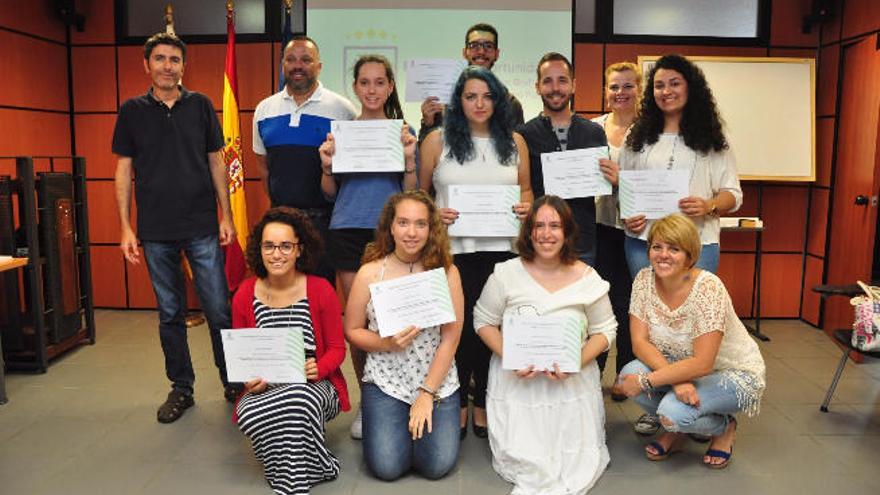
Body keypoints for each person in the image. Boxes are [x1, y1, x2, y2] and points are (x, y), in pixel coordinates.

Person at [112, 32, 237, 423]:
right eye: (161, 59)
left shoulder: (200, 105)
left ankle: (233, 384)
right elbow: (124, 169)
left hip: (201, 225)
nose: (168, 66)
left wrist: (227, 215)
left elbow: (217, 162)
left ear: (184, 66)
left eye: (175, 60)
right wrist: (125, 227)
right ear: (146, 65)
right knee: (170, 314)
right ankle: (182, 388)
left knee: (219, 309)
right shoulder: (131, 110)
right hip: (154, 231)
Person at [473, 195, 617, 494]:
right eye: (538, 225)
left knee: (574, 459)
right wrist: (510, 355)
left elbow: (605, 330)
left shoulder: (588, 277)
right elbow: (483, 321)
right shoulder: (505, 273)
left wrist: (575, 362)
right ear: (528, 231)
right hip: (518, 378)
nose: (546, 233)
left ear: (567, 232)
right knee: (525, 455)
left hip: (570, 380)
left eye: (554, 225)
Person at [419, 66, 532, 440]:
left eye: (487, 96)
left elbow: (527, 192)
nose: (479, 103)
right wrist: (433, 213)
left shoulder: (515, 142)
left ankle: (482, 399)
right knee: (458, 328)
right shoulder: (437, 141)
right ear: (459, 101)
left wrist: (525, 207)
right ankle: (459, 401)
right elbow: (420, 198)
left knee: (493, 328)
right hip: (453, 252)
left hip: (503, 251)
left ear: (498, 101)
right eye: (471, 96)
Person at [318, 54, 418, 440]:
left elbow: (412, 192)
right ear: (356, 88)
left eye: (380, 82)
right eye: (365, 83)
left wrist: (409, 159)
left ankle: (399, 395)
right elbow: (329, 194)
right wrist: (327, 165)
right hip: (345, 229)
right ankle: (369, 402)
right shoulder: (341, 133)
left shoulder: (402, 131)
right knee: (357, 323)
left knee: (394, 319)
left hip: (389, 232)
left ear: (390, 87)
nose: (372, 89)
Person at [618, 214, 765, 469]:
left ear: (690, 255)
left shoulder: (708, 288)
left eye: (674, 249)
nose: (663, 255)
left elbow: (703, 363)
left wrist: (648, 380)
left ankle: (722, 427)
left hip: (732, 373)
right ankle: (679, 428)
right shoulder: (644, 279)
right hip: (684, 367)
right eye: (657, 247)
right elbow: (640, 343)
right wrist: (677, 380)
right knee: (627, 374)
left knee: (669, 412)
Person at [344, 190, 464, 480]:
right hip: (387, 378)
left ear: (431, 229)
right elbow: (352, 330)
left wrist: (426, 393)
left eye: (421, 224)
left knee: (437, 466)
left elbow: (451, 338)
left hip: (437, 380)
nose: (412, 232)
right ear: (390, 227)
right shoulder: (370, 273)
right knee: (386, 467)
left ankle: (413, 425)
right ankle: (391, 422)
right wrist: (384, 343)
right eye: (403, 223)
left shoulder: (446, 272)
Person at [232, 207, 350, 494]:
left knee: (297, 400)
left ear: (299, 250)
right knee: (247, 413)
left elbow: (337, 349)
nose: (277, 254)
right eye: (269, 246)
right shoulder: (245, 294)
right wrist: (250, 379)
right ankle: (321, 465)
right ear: (259, 250)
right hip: (266, 388)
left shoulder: (321, 290)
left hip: (315, 386)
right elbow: (242, 355)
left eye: (286, 246)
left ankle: (290, 486)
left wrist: (319, 368)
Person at [616, 54, 742, 277]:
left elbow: (732, 194)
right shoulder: (636, 135)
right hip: (643, 243)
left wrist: (709, 205)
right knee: (647, 309)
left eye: (674, 84)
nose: (666, 92)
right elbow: (625, 186)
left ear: (690, 88)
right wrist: (627, 214)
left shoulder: (712, 137)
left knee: (692, 310)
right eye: (659, 86)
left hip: (697, 244)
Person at [253, 35, 357, 283]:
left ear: (319, 66)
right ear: (283, 65)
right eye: (291, 59)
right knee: (281, 293)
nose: (298, 65)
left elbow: (350, 172)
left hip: (324, 223)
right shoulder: (264, 109)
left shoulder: (343, 109)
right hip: (280, 222)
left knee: (319, 293)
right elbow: (264, 168)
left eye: (306, 59)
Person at [518, 52, 608, 266]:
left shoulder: (594, 132)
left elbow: (603, 186)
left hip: (582, 243)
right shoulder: (522, 135)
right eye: (547, 81)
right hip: (540, 243)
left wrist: (613, 179)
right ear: (537, 87)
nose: (555, 88)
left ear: (573, 85)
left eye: (562, 80)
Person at [591, 61, 642, 402]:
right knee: (598, 301)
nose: (620, 93)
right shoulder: (593, 128)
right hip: (598, 225)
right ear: (605, 91)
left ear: (639, 89)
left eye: (628, 86)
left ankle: (626, 374)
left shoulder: (651, 130)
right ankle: (592, 373)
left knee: (630, 304)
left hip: (637, 230)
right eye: (614, 87)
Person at [418, 23, 524, 142]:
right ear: (465, 52)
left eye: (488, 46)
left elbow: (517, 152)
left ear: (496, 54)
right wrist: (428, 123)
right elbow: (426, 154)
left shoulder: (511, 105)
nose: (481, 51)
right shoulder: (443, 100)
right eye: (474, 46)